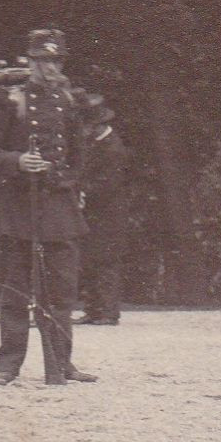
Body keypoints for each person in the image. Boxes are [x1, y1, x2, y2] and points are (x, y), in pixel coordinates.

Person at [0, 29, 97, 385]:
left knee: (61, 287)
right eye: (44, 60)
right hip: (18, 202)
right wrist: (18, 161)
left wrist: (68, 181)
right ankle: (8, 364)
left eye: (56, 60)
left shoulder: (69, 100)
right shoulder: (9, 99)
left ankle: (61, 362)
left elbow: (79, 154)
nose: (50, 67)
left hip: (57, 203)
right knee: (15, 287)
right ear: (30, 61)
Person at [77, 93, 130, 325]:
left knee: (106, 262)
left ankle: (108, 311)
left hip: (108, 213)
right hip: (94, 212)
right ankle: (94, 308)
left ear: (97, 125)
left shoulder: (113, 148)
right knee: (90, 259)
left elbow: (108, 184)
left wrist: (82, 192)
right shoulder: (95, 144)